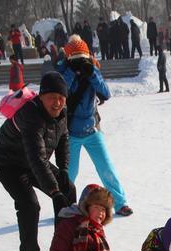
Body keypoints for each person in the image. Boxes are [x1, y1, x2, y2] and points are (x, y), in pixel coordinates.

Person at [0, 72, 76, 251]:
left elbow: (63, 139)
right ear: (41, 97)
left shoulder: (63, 111)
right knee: (29, 204)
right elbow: (37, 158)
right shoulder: (30, 115)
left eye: (61, 98)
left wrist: (63, 169)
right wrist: (54, 192)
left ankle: (62, 248)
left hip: (33, 160)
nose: (57, 103)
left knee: (68, 190)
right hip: (7, 163)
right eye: (51, 98)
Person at [58, 35, 133, 217]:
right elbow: (61, 92)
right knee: (69, 173)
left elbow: (105, 93)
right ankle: (65, 204)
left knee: (106, 168)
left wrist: (91, 73)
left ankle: (120, 202)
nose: (80, 62)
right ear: (68, 58)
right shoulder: (62, 71)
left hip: (92, 130)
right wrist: (71, 71)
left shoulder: (92, 69)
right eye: (75, 59)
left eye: (82, 58)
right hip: (71, 132)